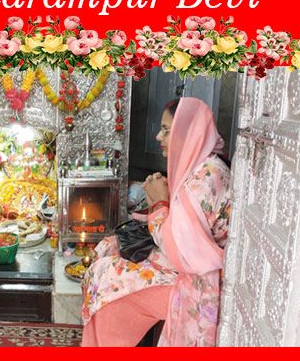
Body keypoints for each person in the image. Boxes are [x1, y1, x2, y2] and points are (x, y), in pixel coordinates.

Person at [81, 97, 231, 347]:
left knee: (104, 277)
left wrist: (158, 204)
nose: (158, 137)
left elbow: (181, 252)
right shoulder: (202, 165)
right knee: (109, 246)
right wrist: (159, 199)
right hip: (187, 265)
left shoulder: (205, 177)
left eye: (166, 130)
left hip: (199, 279)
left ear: (188, 134)